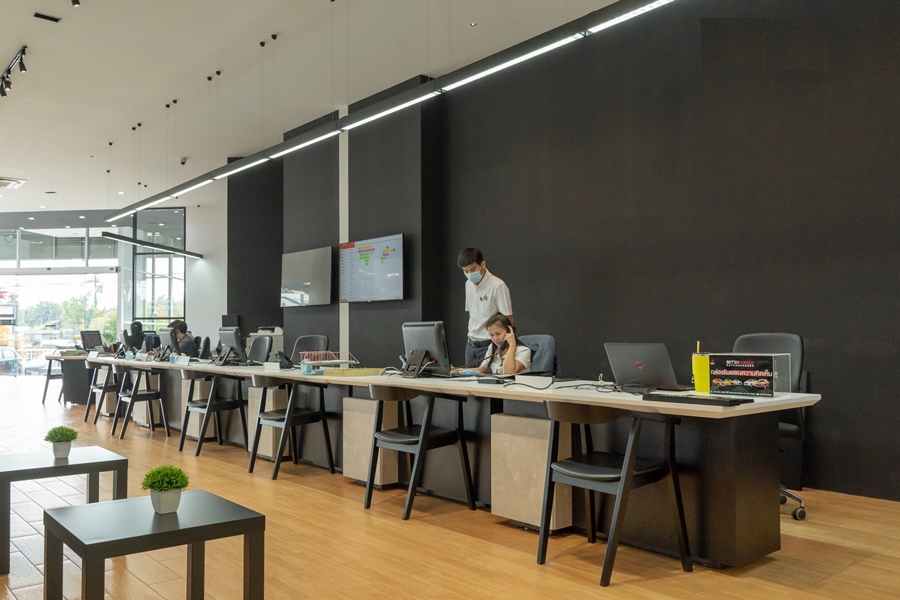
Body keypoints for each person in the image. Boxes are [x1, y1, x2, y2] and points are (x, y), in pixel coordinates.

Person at [458, 247, 514, 369]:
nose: (469, 275)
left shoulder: (497, 285)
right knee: (466, 378)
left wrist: (498, 341)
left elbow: (509, 319)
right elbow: (472, 313)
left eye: (473, 269)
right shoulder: (468, 284)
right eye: (465, 271)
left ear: (483, 264)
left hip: (489, 344)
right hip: (471, 344)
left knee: (486, 378)